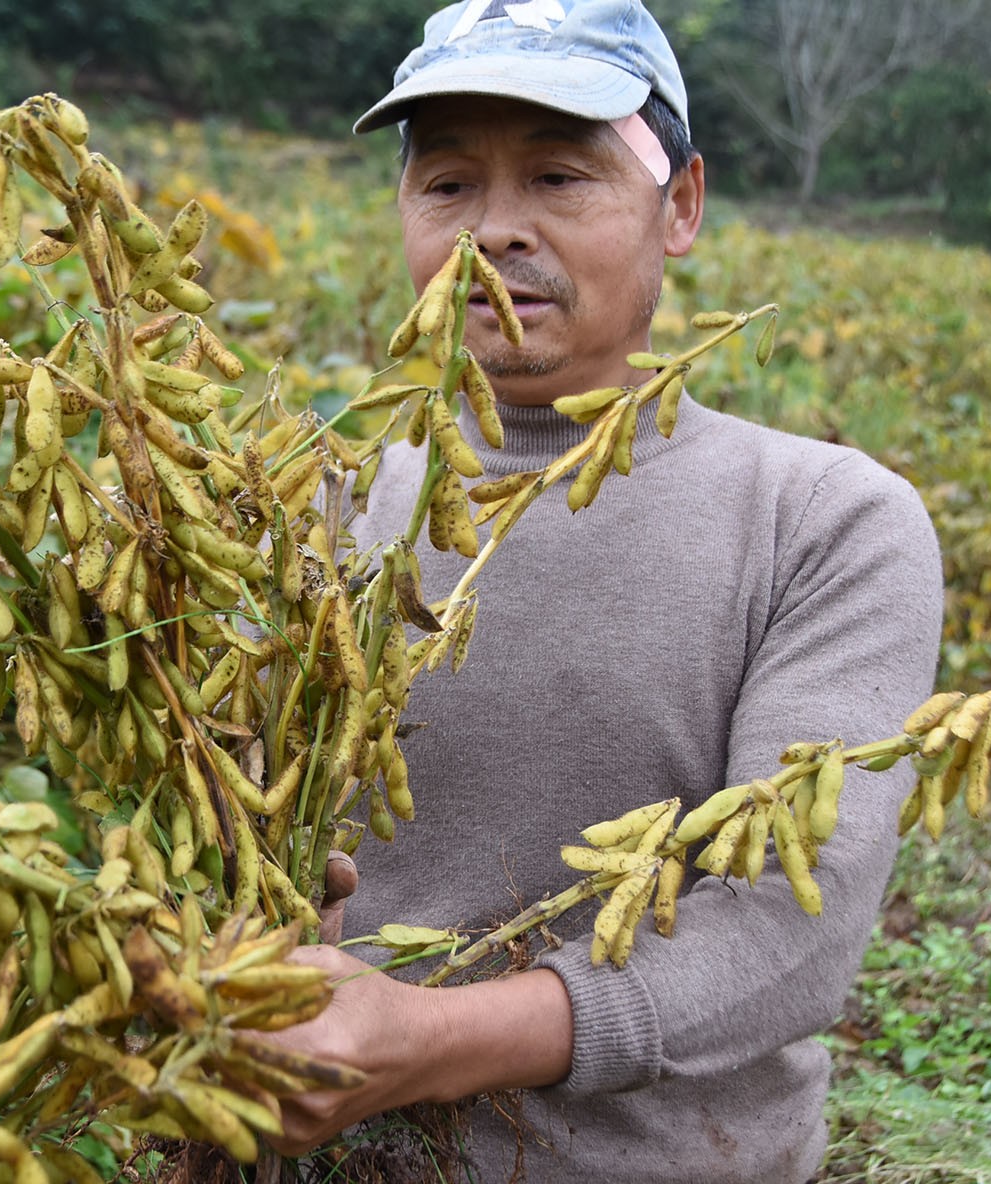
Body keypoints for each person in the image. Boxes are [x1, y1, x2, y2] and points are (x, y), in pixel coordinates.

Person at [263, 2, 945, 1181]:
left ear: (678, 205)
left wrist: (423, 1040)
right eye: (447, 184)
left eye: (558, 176)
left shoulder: (823, 519)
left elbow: (791, 927)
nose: (493, 230)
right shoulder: (316, 499)